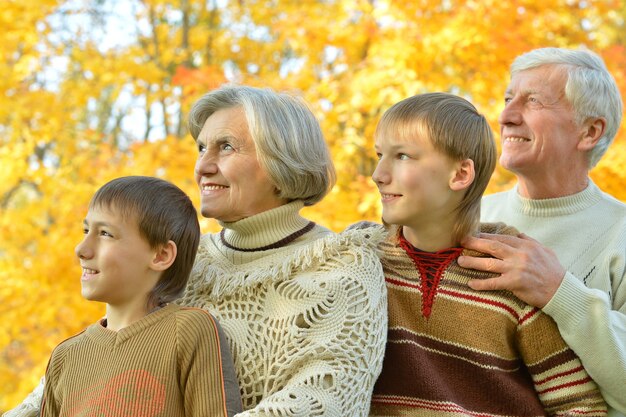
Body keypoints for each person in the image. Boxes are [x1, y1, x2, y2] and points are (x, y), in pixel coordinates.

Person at [5, 85, 387, 417]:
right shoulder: (179, 260)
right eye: (202, 147)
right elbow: (83, 378)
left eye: (226, 147)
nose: (203, 165)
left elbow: (325, 400)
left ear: (281, 161)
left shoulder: (343, 266)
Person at [367, 93, 607, 416]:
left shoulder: (510, 271)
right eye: (380, 155)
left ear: (460, 175)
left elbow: (579, 405)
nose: (378, 174)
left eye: (403, 156)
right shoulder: (363, 262)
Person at [456, 47, 626, 417]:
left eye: (533, 101)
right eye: (507, 99)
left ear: (589, 131)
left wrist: (559, 293)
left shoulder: (622, 235)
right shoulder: (466, 217)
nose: (506, 116)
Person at [40, 176, 242, 417]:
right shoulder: (65, 357)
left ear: (161, 255)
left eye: (105, 233)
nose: (81, 249)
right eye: (86, 230)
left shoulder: (189, 331)